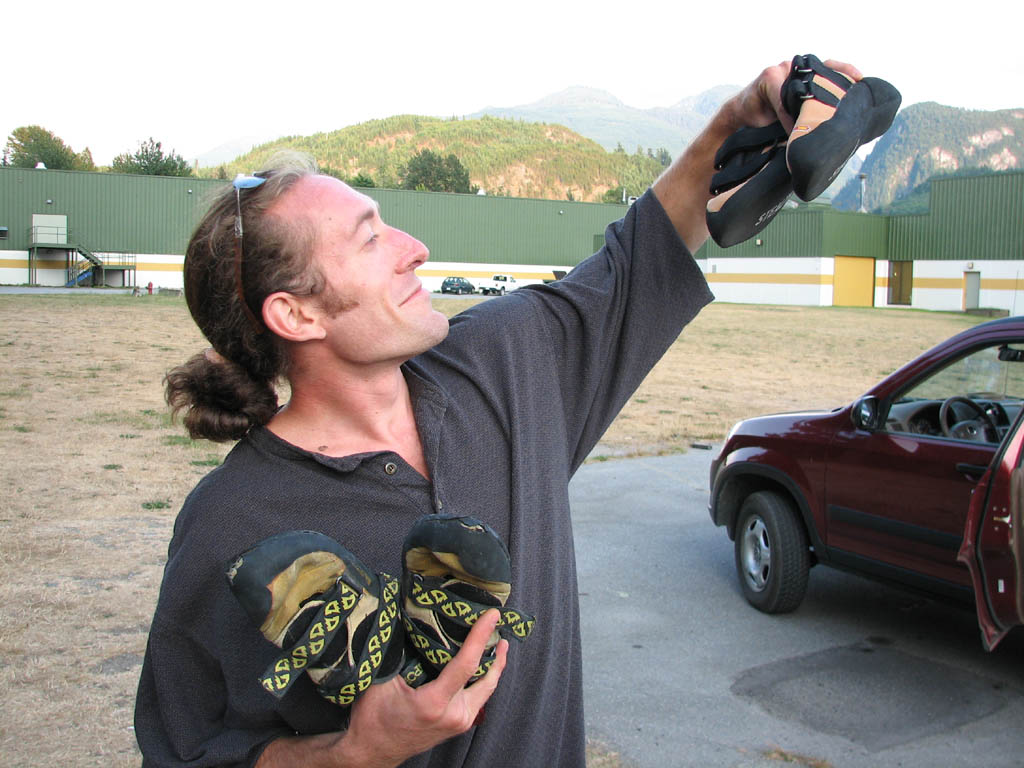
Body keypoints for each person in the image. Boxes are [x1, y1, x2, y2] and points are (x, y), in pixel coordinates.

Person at [136, 57, 861, 768]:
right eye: (370, 238)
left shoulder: (504, 365)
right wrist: (354, 752)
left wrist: (742, 115)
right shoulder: (232, 523)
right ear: (294, 314)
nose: (415, 250)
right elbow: (190, 751)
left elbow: (642, 253)